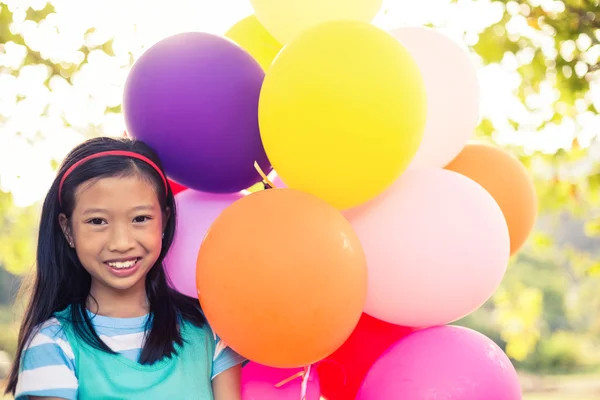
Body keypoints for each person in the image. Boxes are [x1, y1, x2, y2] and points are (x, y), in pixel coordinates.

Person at [4, 137, 245, 399]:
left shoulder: (207, 331)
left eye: (140, 219)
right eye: (97, 221)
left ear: (163, 220)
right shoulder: (52, 344)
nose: (121, 243)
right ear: (67, 229)